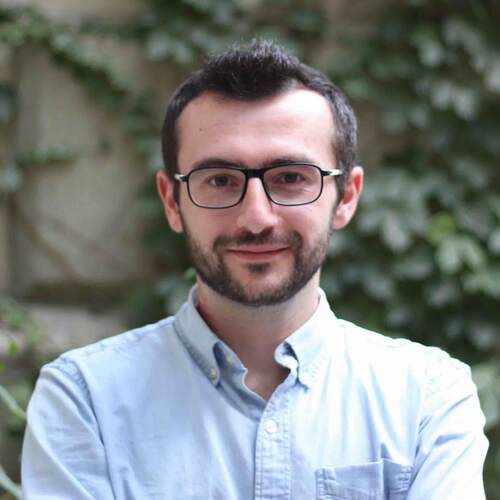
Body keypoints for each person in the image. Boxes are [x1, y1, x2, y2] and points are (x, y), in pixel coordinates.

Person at [22, 40, 488, 499]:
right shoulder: (85, 400)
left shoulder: (427, 398)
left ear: (346, 196)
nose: (256, 218)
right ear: (172, 201)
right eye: (220, 180)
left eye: (291, 178)